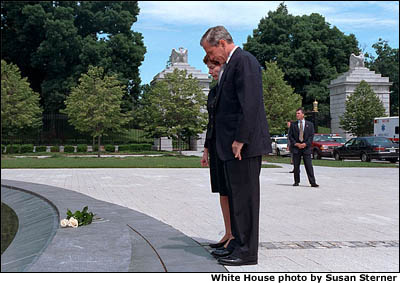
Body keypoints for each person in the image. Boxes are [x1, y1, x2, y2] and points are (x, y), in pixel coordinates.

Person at [200, 26, 272, 266]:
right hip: (232, 147)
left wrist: (240, 138)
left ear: (221, 43)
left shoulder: (244, 61)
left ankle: (247, 252)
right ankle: (236, 245)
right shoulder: (232, 65)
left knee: (246, 201)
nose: (211, 58)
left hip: (245, 146)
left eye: (211, 52)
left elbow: (249, 104)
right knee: (237, 199)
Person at [201, 54, 234, 250]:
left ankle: (235, 235)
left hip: (228, 147)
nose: (210, 71)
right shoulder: (213, 92)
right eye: (209, 67)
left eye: (213, 67)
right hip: (215, 146)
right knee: (222, 191)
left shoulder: (228, 89)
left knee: (231, 192)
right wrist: (206, 149)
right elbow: (211, 123)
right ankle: (228, 232)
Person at [288, 108, 319, 187]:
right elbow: (290, 136)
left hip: (306, 148)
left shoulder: (310, 124)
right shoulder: (293, 125)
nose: (297, 115)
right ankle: (296, 181)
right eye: (296, 113)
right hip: (296, 148)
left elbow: (311, 136)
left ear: (303, 114)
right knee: (296, 166)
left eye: (298, 113)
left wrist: (305, 144)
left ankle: (312, 182)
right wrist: (296, 144)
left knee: (309, 166)